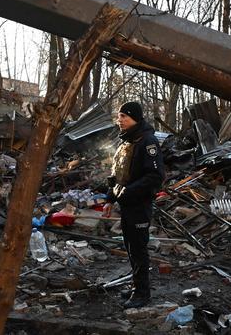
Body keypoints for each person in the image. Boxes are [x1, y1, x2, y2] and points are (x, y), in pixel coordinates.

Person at [103, 101, 165, 309]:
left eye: (124, 116)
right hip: (126, 204)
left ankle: (142, 294)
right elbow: (117, 175)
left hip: (139, 205)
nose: (119, 120)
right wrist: (110, 199)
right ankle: (136, 286)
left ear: (135, 118)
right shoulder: (126, 142)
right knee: (131, 248)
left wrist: (129, 192)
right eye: (119, 116)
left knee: (139, 249)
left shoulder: (148, 142)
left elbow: (155, 176)